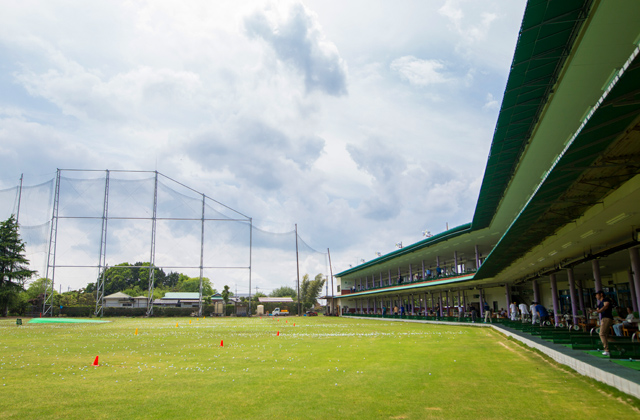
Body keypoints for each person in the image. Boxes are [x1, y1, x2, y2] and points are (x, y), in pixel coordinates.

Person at [595, 291, 614, 356]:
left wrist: (600, 310)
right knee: (606, 336)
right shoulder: (600, 303)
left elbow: (606, 306)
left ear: (601, 294)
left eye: (597, 294)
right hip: (604, 318)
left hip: (607, 318)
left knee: (602, 334)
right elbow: (598, 309)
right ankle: (620, 348)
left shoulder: (606, 299)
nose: (596, 296)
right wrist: (594, 311)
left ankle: (606, 350)